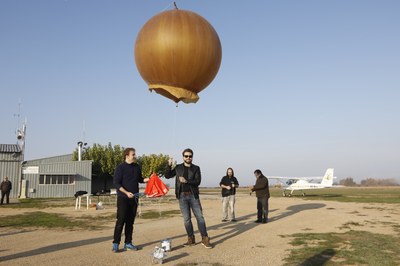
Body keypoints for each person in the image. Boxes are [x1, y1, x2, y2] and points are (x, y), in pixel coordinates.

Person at [165, 148, 212, 249]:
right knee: (187, 220)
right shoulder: (178, 168)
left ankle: (205, 238)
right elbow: (167, 175)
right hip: (182, 196)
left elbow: (197, 181)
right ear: (183, 157)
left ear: (192, 157)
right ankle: (191, 239)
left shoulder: (196, 168)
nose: (188, 158)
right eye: (186, 156)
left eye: (190, 156)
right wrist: (169, 165)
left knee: (200, 218)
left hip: (193, 196)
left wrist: (186, 181)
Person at [112, 148, 149, 252]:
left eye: (135, 154)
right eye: (133, 154)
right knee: (121, 220)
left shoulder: (137, 167)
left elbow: (140, 179)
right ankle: (115, 243)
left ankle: (128, 243)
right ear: (127, 156)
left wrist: (148, 179)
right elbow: (116, 183)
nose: (135, 156)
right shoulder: (120, 168)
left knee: (130, 222)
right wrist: (126, 193)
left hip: (134, 198)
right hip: (123, 198)